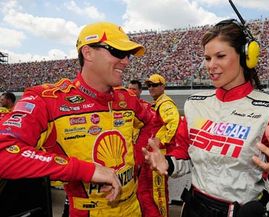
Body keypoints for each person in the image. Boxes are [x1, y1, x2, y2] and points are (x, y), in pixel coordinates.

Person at [0, 21, 155, 217]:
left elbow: (153, 121)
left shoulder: (128, 98)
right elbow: (3, 153)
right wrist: (85, 170)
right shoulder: (47, 99)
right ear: (88, 53)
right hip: (86, 211)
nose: (126, 61)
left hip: (133, 208)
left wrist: (145, 153)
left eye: (128, 55)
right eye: (117, 51)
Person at [142, 19, 269, 217]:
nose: (211, 65)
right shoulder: (194, 104)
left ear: (245, 56)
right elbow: (184, 156)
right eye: (207, 58)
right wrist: (166, 163)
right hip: (192, 209)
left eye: (220, 56)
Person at [138, 73, 180, 217]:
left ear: (163, 86)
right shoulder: (156, 103)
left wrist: (160, 141)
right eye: (148, 85)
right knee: (145, 192)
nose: (151, 88)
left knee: (158, 194)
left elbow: (174, 123)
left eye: (154, 85)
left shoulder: (165, 103)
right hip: (151, 157)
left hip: (159, 156)